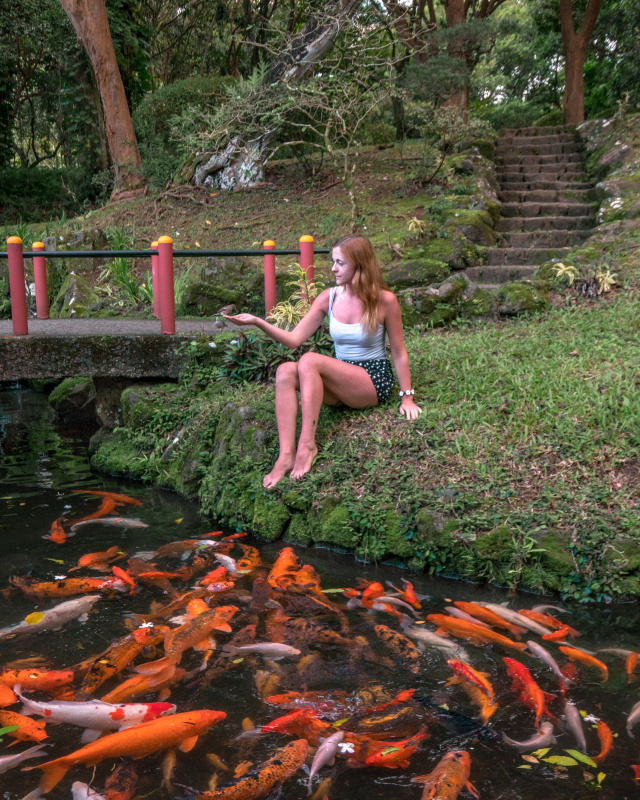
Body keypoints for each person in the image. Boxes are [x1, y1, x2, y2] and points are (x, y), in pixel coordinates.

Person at [224, 234, 422, 488]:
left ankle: (307, 445)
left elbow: (398, 351)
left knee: (309, 360)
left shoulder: (385, 300)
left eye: (340, 263)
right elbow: (294, 339)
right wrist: (257, 322)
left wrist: (407, 396)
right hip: (340, 379)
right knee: (285, 370)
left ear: (359, 265)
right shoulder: (329, 297)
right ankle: (286, 455)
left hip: (372, 380)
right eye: (333, 261)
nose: (333, 268)